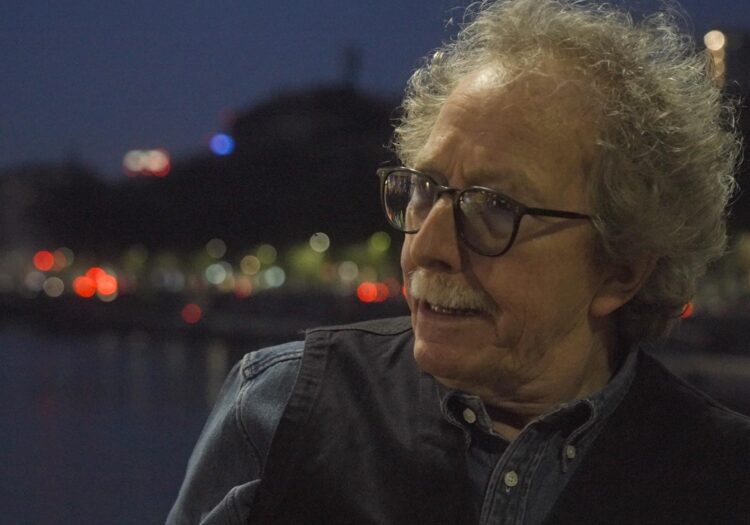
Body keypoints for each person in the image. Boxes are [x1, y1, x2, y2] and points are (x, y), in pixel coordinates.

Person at [168, 1, 750, 523]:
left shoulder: (726, 479)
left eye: (495, 207)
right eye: (423, 190)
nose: (426, 247)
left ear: (622, 269)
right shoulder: (278, 413)